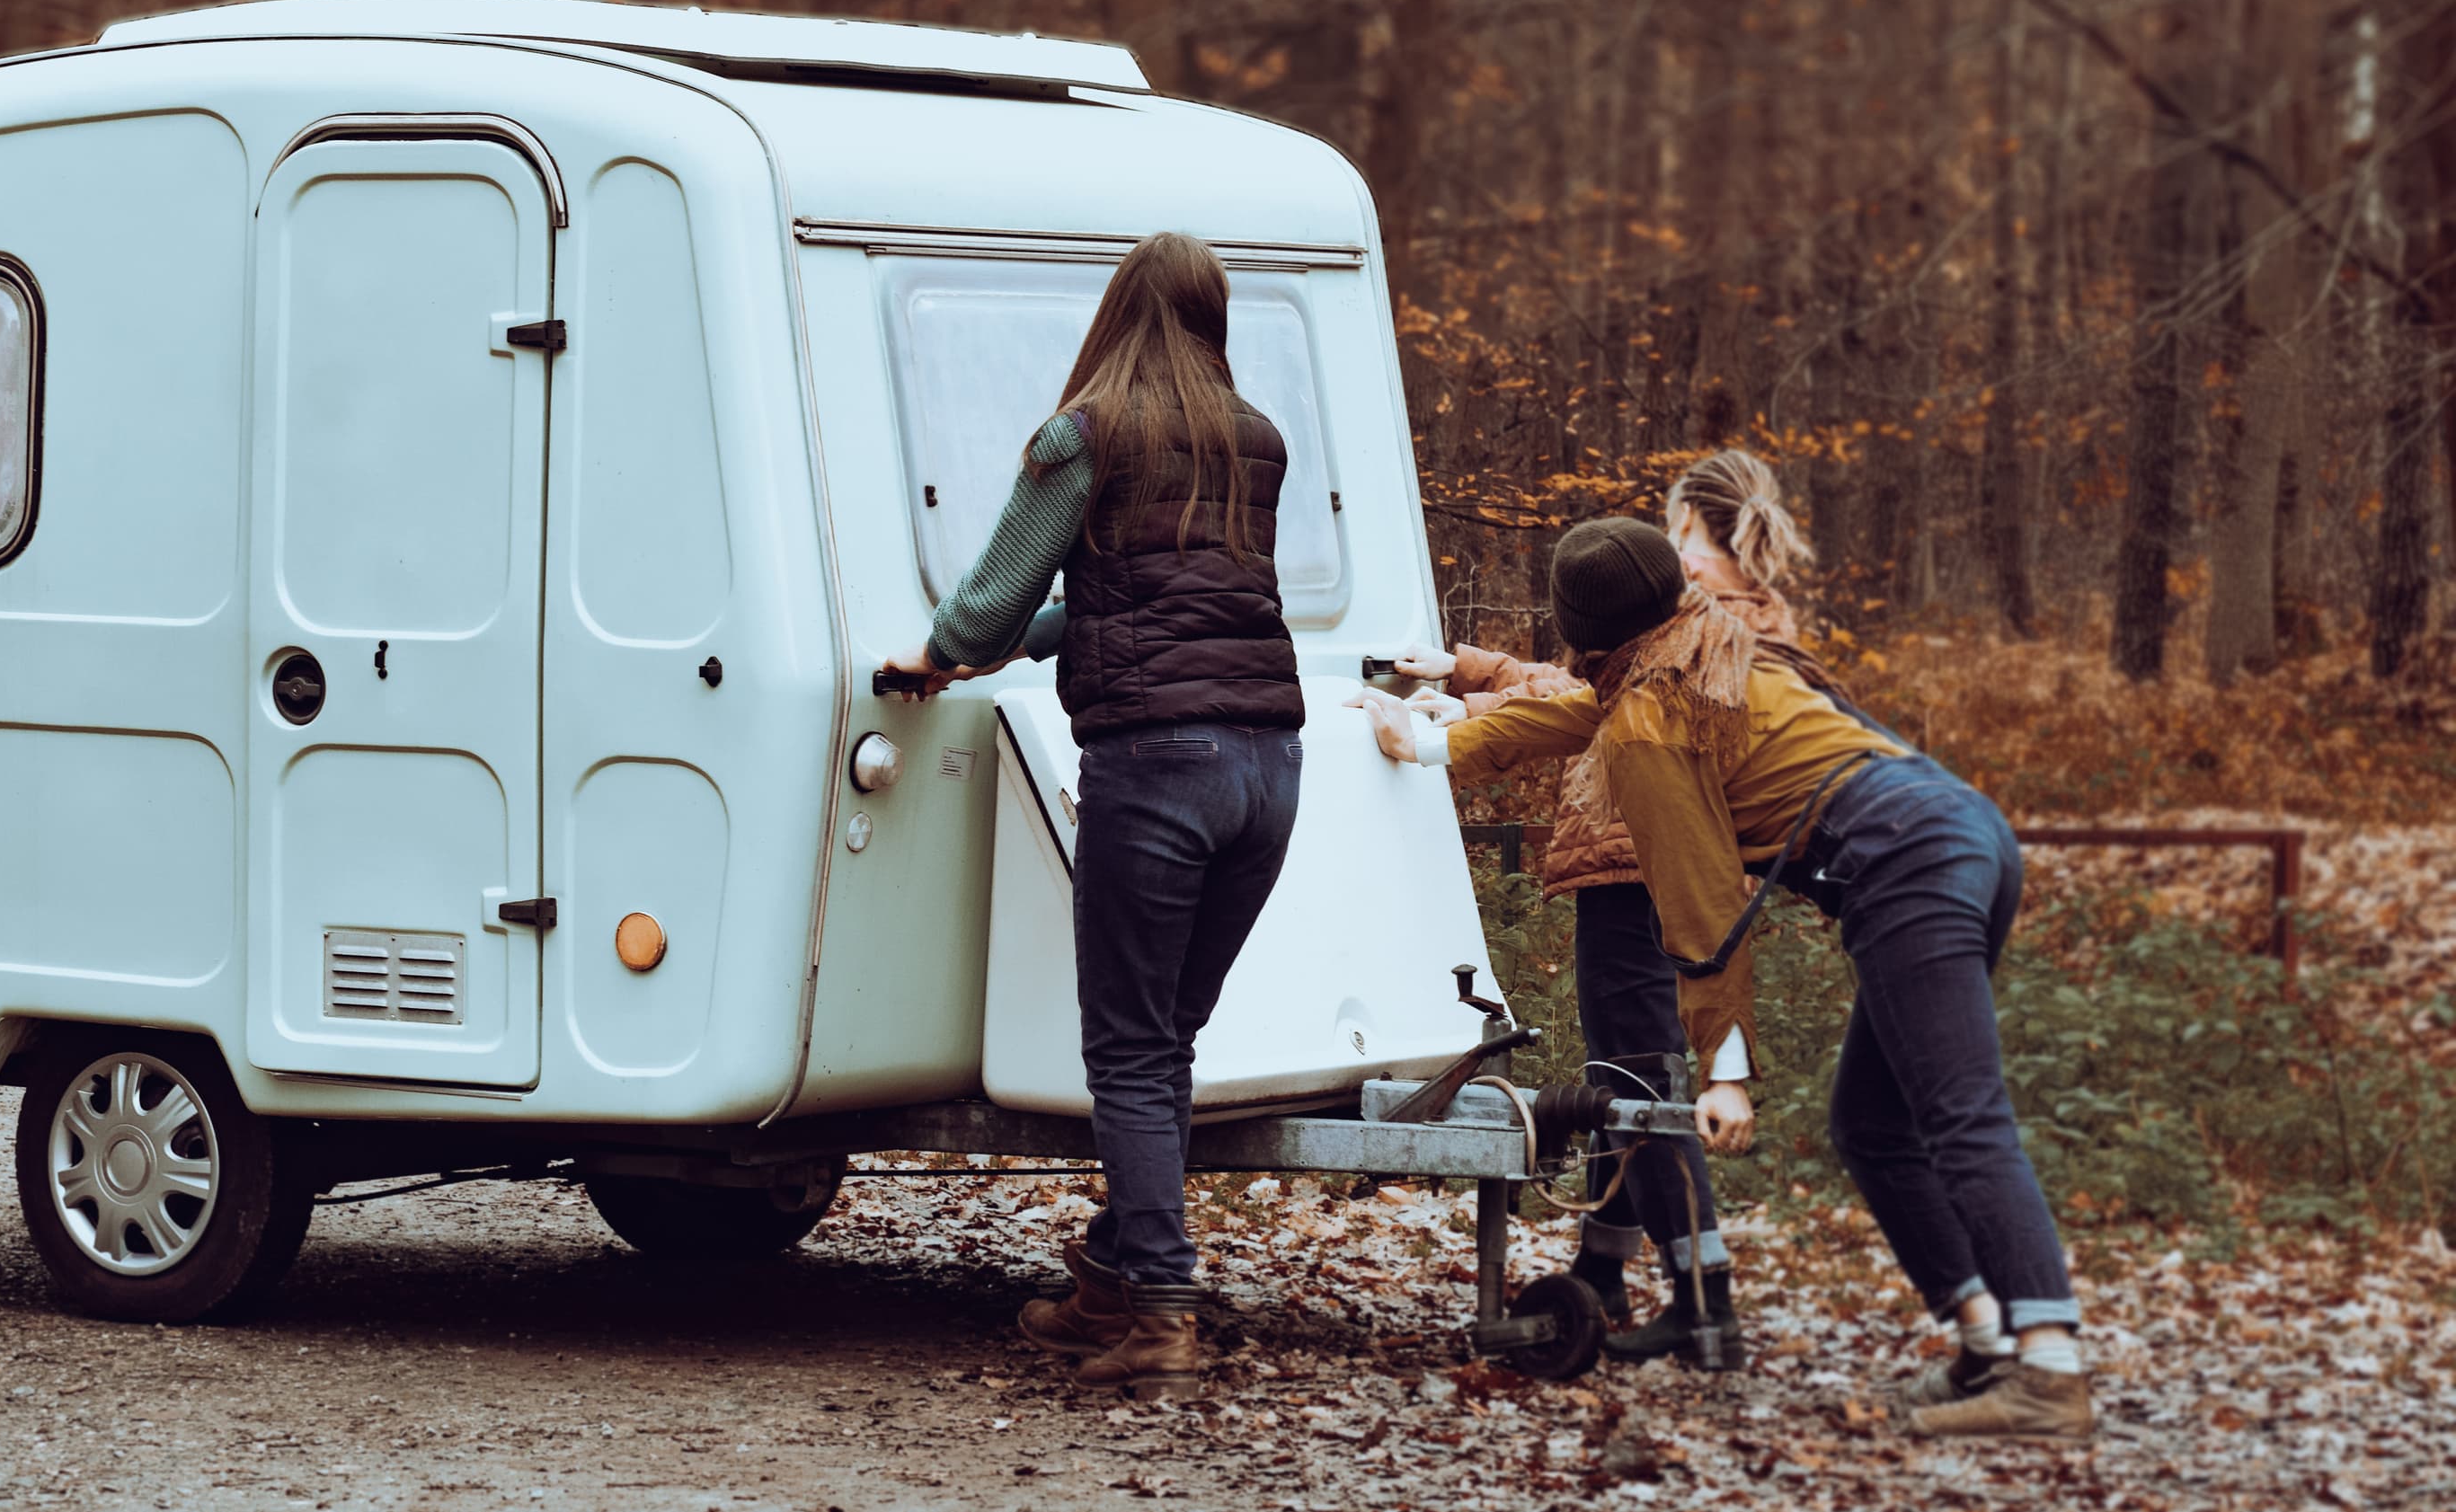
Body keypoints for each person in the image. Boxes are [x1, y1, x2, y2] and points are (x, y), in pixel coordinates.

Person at [1355, 517, 2094, 1442]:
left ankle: (2049, 1372)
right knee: (1872, 1127)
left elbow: (1700, 907)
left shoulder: (1650, 724)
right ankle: (1986, 1341)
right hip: (1961, 826)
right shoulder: (1710, 647)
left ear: (1581, 628)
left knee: (1962, 1117)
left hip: (1903, 860)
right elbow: (1580, 714)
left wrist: (1726, 1071)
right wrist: (1431, 747)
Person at [889, 232, 1302, 1404]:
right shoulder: (1256, 440)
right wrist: (1020, 644)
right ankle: (1115, 1279)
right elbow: (1154, 599)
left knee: (1126, 1044)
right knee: (1167, 1035)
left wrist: (941, 655)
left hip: (1159, 764)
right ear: (1212, 316)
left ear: (1120, 309)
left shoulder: (1084, 435)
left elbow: (991, 597)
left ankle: (1161, 1311)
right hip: (1271, 766)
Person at [1391, 448, 1813, 1370]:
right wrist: (1470, 672)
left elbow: (1588, 701)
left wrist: (1460, 707)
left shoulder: (1700, 625)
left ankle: (1704, 1302)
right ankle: (1604, 1267)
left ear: (1696, 530)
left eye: (1676, 524)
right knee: (1622, 1075)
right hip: (1633, 866)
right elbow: (1584, 693)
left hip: (1635, 872)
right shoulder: (1717, 618)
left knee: (1640, 1081)